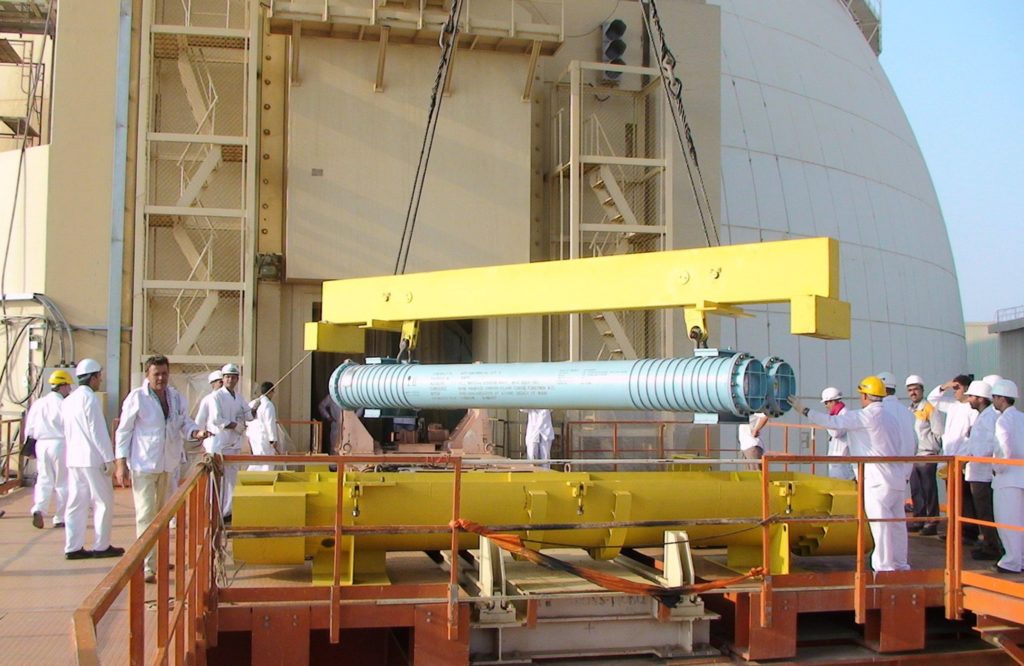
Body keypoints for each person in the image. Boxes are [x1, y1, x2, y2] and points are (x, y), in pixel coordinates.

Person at [790, 376, 908, 571]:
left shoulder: (865, 416)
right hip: (896, 478)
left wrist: (804, 410)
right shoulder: (891, 418)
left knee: (880, 526)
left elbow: (832, 422)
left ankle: (885, 568)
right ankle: (901, 565)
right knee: (897, 525)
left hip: (876, 480)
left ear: (865, 396)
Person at [114, 355, 207, 583]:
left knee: (165, 516)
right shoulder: (138, 398)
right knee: (146, 515)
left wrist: (196, 432)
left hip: (168, 465)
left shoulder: (175, 398)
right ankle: (147, 565)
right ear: (148, 374)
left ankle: (161, 559)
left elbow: (184, 422)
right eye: (157, 374)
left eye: (165, 374)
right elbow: (123, 431)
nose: (161, 378)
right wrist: (120, 464)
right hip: (144, 465)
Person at [62, 359, 124, 560]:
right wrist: (109, 458)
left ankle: (73, 546)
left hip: (74, 459)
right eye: (100, 376)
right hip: (92, 459)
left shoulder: (69, 400)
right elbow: (97, 431)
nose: (101, 380)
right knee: (103, 502)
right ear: (94, 377)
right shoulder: (90, 399)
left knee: (76, 503)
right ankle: (101, 545)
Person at [929, 375, 980, 542]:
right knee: (953, 497)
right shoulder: (952, 406)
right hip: (949, 458)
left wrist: (965, 458)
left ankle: (969, 532)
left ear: (966, 388)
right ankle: (956, 530)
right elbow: (932, 399)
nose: (955, 391)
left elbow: (972, 437)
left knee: (965, 497)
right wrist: (945, 386)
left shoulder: (972, 410)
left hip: (964, 460)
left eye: (957, 388)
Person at [25, 369, 74, 529]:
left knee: (44, 480)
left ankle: (39, 508)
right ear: (63, 386)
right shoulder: (64, 404)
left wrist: (30, 448)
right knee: (62, 482)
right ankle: (60, 517)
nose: (70, 389)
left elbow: (29, 428)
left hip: (41, 444)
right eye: (68, 386)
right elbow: (70, 427)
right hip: (60, 443)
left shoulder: (39, 403)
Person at [207, 363, 253, 520]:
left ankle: (227, 513)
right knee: (217, 481)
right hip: (220, 445)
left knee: (231, 481)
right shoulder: (216, 397)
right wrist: (234, 425)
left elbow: (249, 415)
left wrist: (255, 408)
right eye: (227, 377)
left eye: (233, 377)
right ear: (223, 378)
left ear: (237, 379)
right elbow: (216, 419)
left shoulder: (239, 397)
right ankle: (214, 512)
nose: (230, 380)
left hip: (235, 445)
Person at [963, 379, 1001, 560]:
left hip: (983, 474)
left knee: (986, 512)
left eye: (971, 396)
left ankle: (992, 546)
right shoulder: (983, 417)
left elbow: (987, 445)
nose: (968, 399)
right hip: (977, 472)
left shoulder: (989, 418)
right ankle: (988, 542)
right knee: (982, 512)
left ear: (980, 398)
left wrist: (970, 456)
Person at [991, 379, 1023, 574]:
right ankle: (1020, 559)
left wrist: (997, 468)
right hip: (1021, 476)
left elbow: (1004, 449)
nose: (993, 401)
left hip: (1007, 478)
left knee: (1007, 521)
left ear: (1002, 399)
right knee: (1020, 521)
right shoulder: (1022, 417)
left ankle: (1011, 561)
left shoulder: (1003, 420)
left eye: (994, 397)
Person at [906, 374, 942, 535]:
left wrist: (932, 449)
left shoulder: (929, 408)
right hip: (914, 455)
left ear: (922, 390)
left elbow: (938, 432)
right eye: (910, 390)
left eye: (915, 389)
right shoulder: (909, 410)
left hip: (927, 455)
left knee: (929, 490)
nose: (913, 393)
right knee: (916, 490)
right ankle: (919, 519)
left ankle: (932, 521)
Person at [876, 371, 917, 491]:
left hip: (884, 472)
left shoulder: (878, 411)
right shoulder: (907, 412)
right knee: (898, 508)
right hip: (904, 471)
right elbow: (913, 441)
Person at [820, 387, 854, 480]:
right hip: (837, 458)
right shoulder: (837, 413)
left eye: (826, 403)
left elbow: (836, 433)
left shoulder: (844, 414)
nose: (826, 406)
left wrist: (827, 422)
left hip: (842, 459)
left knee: (842, 486)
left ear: (832, 401)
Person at [247, 382, 279, 471]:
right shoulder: (268, 405)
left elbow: (247, 420)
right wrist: (273, 439)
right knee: (266, 460)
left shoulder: (252, 403)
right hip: (264, 437)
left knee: (257, 458)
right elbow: (270, 422)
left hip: (253, 436)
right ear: (270, 392)